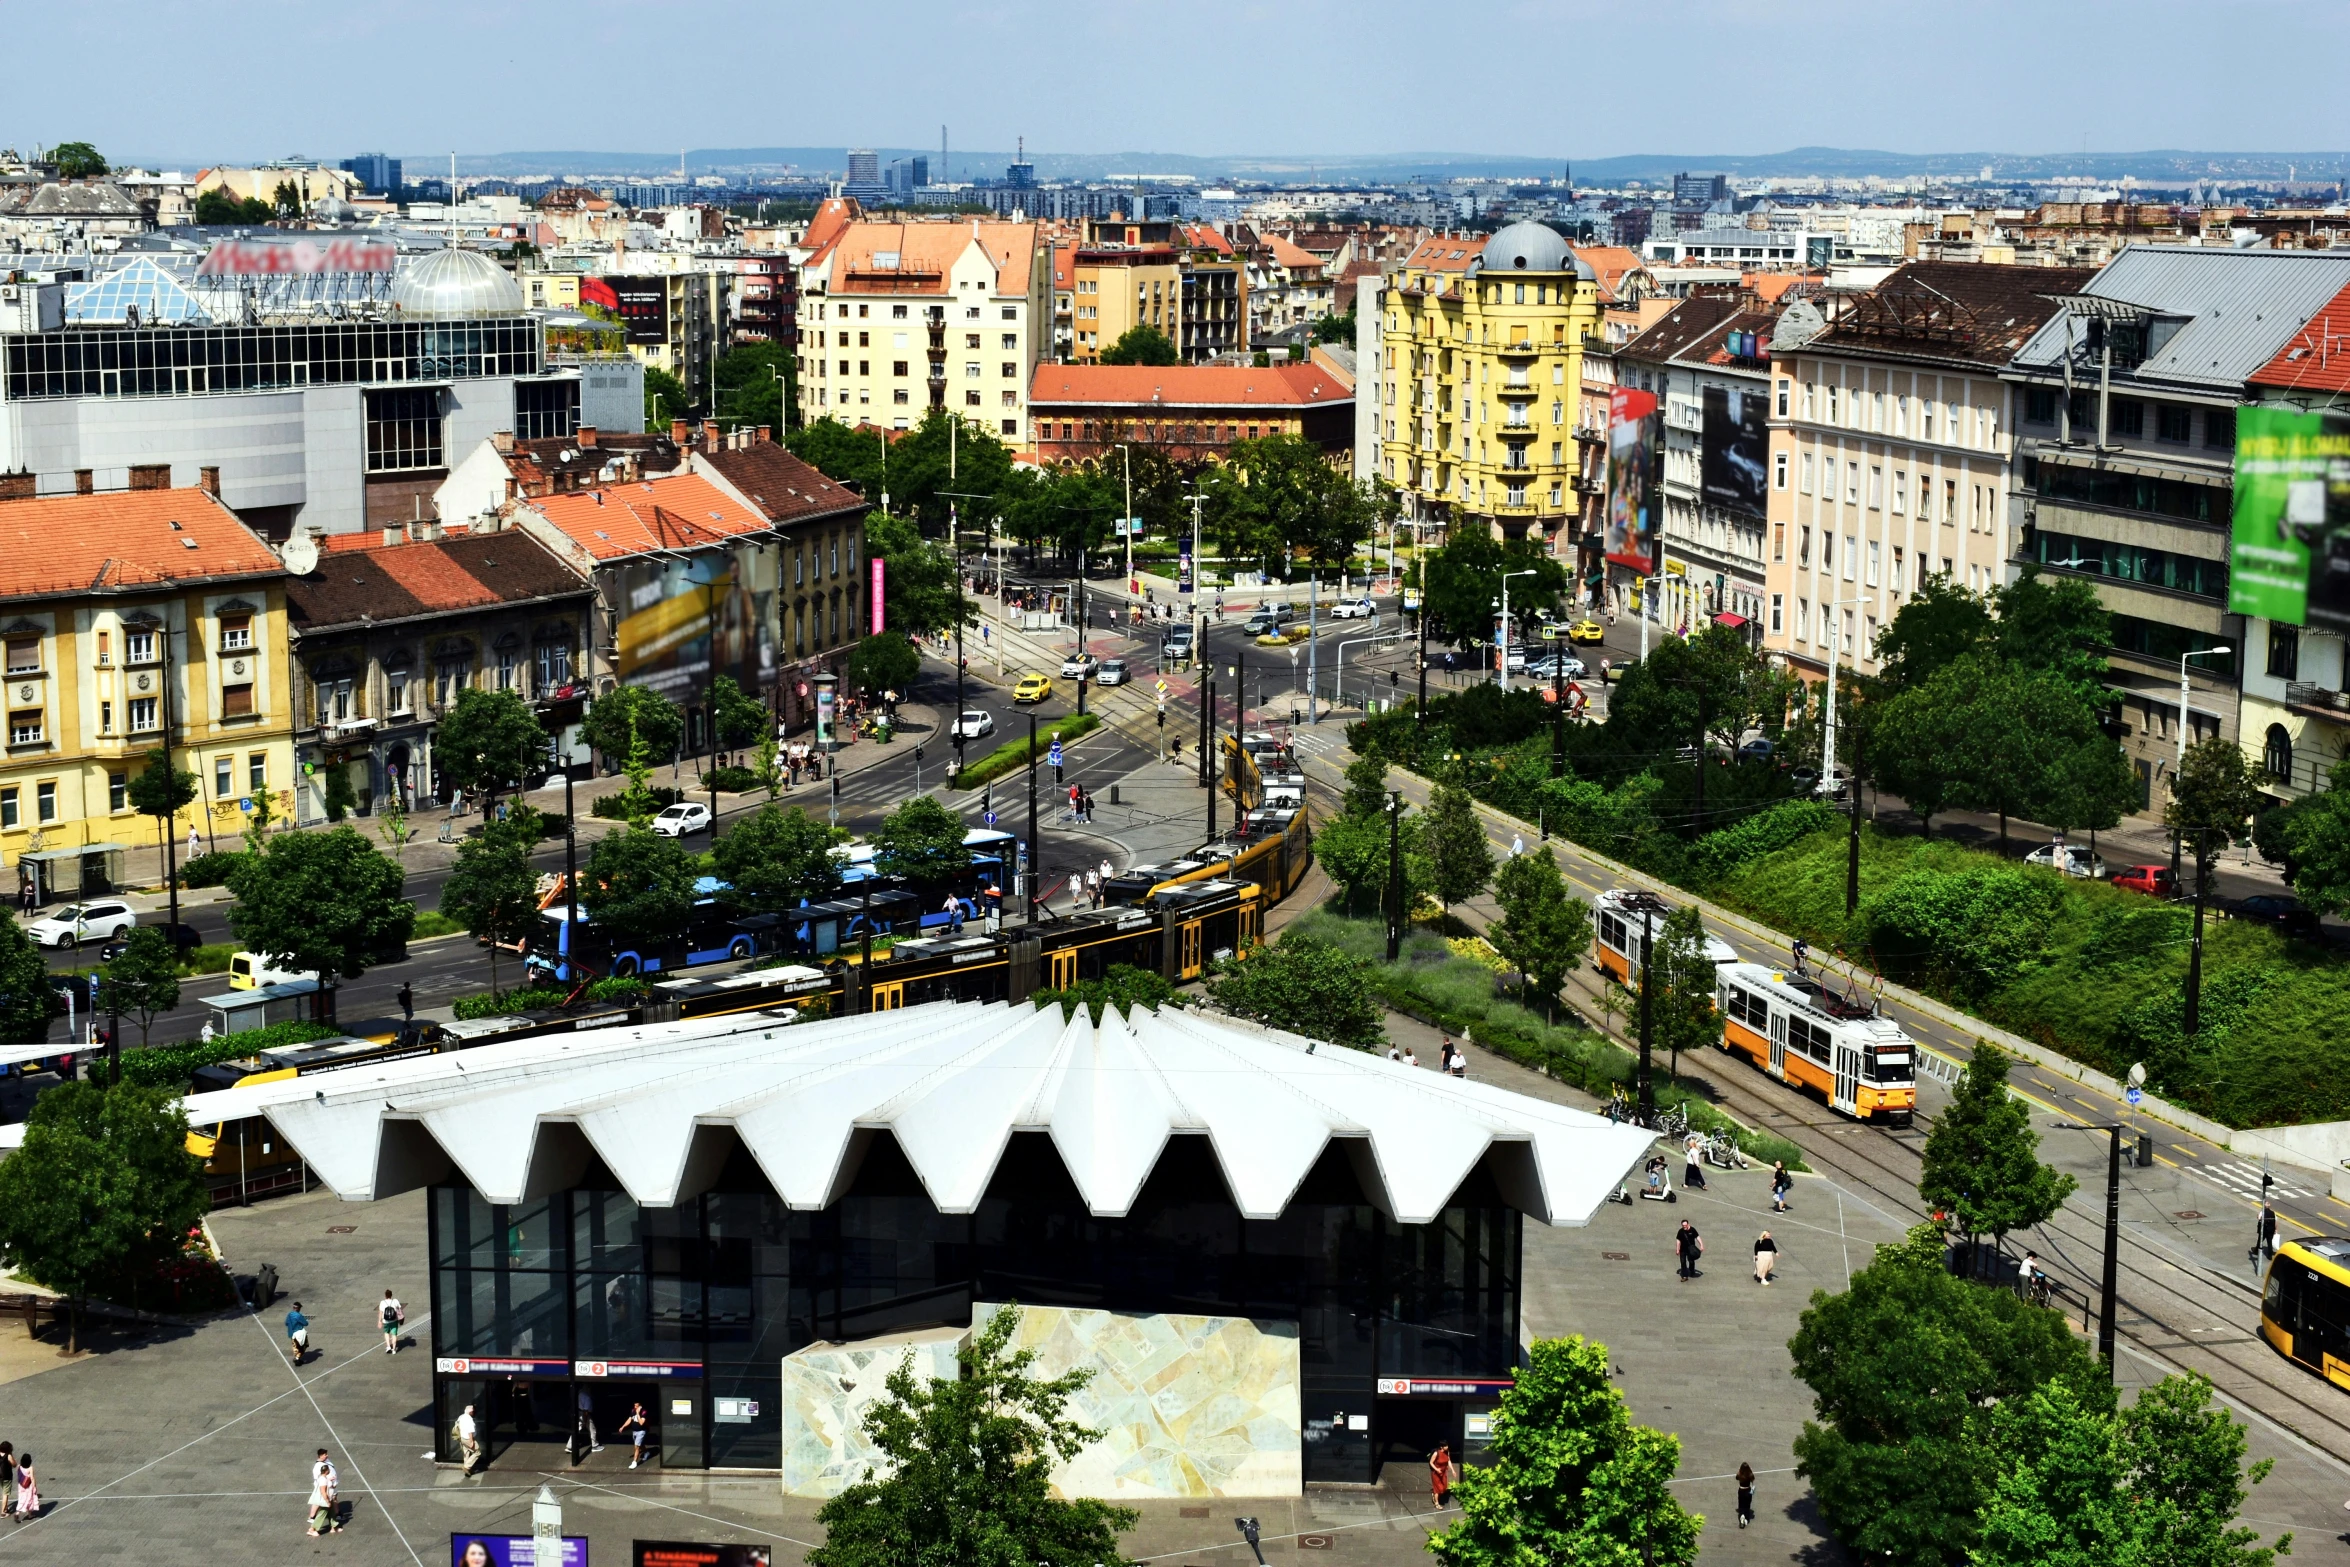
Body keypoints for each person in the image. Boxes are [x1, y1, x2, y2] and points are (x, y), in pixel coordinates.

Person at [307, 1450, 339, 1535]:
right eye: (325, 1454)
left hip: (330, 1496)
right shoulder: (323, 1480)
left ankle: (334, 1526)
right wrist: (327, 1501)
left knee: (331, 1512)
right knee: (322, 1513)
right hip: (327, 1498)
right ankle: (312, 1529)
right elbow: (323, 1491)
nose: (327, 1455)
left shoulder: (325, 1478)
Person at [618, 1401, 650, 1470]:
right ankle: (646, 1452)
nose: (635, 1407)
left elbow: (641, 1423)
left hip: (641, 1431)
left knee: (636, 1447)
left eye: (637, 1406)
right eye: (634, 1406)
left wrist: (638, 1413)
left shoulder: (644, 1412)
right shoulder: (633, 1411)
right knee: (640, 1444)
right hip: (634, 1432)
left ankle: (634, 1462)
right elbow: (629, 1420)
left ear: (640, 1406)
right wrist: (623, 1427)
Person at [454, 1404, 482, 1474]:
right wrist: (471, 1441)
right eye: (473, 1412)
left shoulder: (461, 1417)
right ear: (470, 1412)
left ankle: (468, 1469)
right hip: (467, 1438)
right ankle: (467, 1466)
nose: (473, 1413)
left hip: (462, 1438)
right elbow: (470, 1431)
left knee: (466, 1452)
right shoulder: (469, 1419)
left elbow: (457, 1426)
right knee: (477, 1452)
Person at [284, 1300, 310, 1365]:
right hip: (299, 1333)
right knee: (302, 1346)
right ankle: (297, 1359)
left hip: (291, 1333)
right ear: (298, 1308)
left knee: (295, 1346)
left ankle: (296, 1357)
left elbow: (286, 1323)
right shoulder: (298, 1316)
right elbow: (306, 1323)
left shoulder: (289, 1314)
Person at [12, 1453, 36, 1523]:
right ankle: (24, 1514)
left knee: (21, 1499)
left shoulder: (19, 1466)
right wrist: (34, 1487)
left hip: (21, 1486)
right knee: (28, 1500)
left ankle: (26, 1514)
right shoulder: (30, 1468)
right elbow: (32, 1478)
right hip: (28, 1486)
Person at [378, 1289, 403, 1354]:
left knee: (386, 1333)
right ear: (391, 1295)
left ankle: (388, 1346)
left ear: (385, 1296)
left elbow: (380, 1312)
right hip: (394, 1320)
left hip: (386, 1321)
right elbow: (399, 1309)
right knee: (394, 1334)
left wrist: (379, 1321)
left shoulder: (382, 1302)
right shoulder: (395, 1301)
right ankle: (394, 1349)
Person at [1429, 1442, 1452, 1508]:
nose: (1447, 1447)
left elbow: (1448, 1461)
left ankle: (1434, 1494)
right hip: (1436, 1473)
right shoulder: (1436, 1453)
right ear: (1441, 1447)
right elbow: (1431, 1462)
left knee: (1444, 1487)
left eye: (1447, 1445)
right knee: (1438, 1488)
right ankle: (1436, 1503)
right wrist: (1436, 1469)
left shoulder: (1447, 1452)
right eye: (1445, 1446)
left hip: (1443, 1472)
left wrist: (1452, 1470)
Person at [1735, 1461, 1756, 1529]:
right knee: (1747, 1505)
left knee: (1741, 1505)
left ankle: (1742, 1518)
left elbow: (1736, 1477)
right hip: (1748, 1490)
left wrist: (1739, 1471)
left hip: (1741, 1490)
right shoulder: (1750, 1475)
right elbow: (1753, 1480)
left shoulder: (1740, 1474)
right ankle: (1746, 1518)